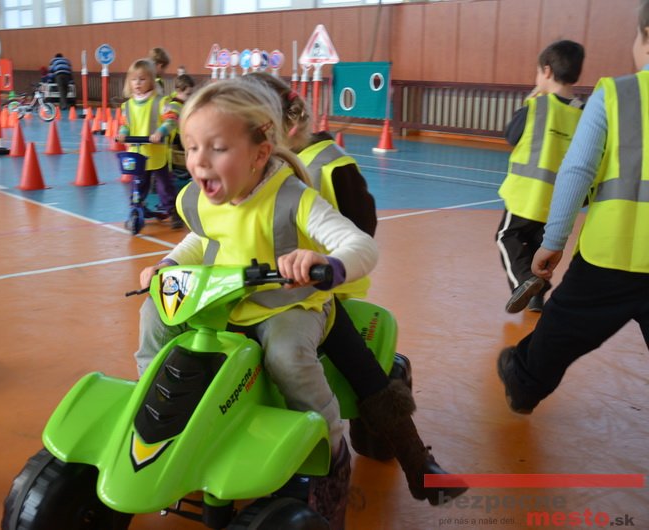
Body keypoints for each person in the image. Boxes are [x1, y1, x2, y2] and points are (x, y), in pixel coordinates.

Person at [134, 79, 378, 529]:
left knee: (286, 355)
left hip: (287, 305)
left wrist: (326, 263)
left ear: (260, 153)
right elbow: (201, 238)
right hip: (223, 300)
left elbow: (360, 244)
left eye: (217, 148)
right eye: (191, 147)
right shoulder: (201, 197)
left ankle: (331, 445)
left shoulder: (292, 197)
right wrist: (168, 264)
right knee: (155, 313)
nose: (198, 161)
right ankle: (155, 408)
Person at [241, 72, 468, 506]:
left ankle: (419, 465)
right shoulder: (247, 168)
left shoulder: (329, 163)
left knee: (363, 370)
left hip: (315, 293)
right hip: (248, 292)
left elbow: (362, 228)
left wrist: (323, 263)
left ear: (286, 125)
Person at [498, 0, 649, 414]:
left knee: (563, 329)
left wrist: (554, 240)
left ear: (647, 37)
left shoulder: (617, 94)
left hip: (613, 253)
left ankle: (523, 385)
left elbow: (578, 169)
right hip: (613, 254)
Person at [496, 40, 586, 313]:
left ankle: (522, 281)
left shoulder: (536, 107)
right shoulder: (584, 113)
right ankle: (537, 296)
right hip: (560, 201)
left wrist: (530, 101)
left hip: (526, 195)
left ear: (546, 71)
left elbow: (512, 136)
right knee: (541, 244)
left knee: (507, 235)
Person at [116, 59, 181, 227]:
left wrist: (160, 132)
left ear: (151, 81)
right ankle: (136, 207)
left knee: (164, 185)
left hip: (156, 152)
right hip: (137, 153)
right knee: (137, 184)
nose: (137, 83)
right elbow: (125, 124)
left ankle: (173, 211)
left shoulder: (160, 102)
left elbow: (171, 119)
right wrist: (122, 134)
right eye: (134, 79)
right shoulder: (127, 106)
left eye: (142, 79)